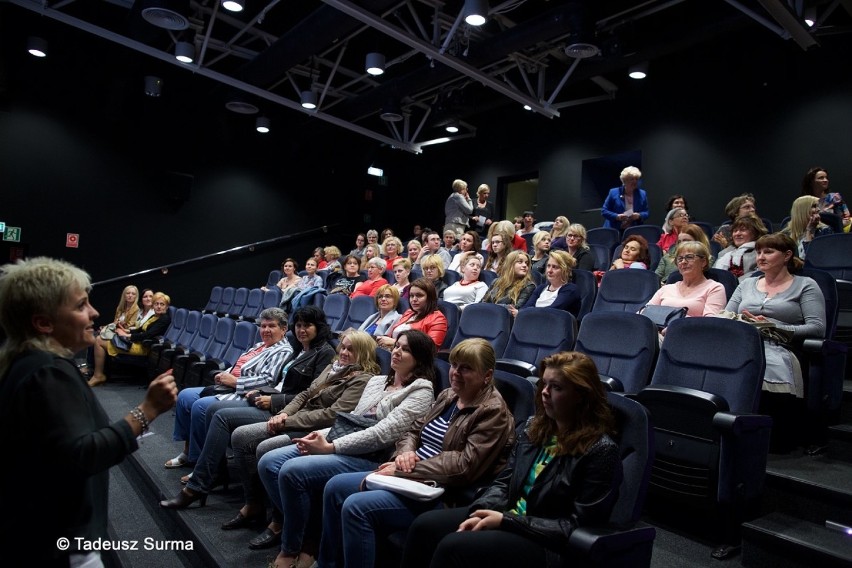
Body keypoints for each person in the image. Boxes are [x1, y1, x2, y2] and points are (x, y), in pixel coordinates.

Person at [0, 257, 177, 568]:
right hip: (58, 540)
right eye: (81, 305)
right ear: (44, 323)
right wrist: (147, 410)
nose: (94, 313)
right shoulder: (48, 372)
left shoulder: (30, 363)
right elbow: (83, 454)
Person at [401, 351, 621, 568]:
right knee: (424, 526)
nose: (545, 392)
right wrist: (483, 510)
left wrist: (507, 521)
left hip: (546, 542)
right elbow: (504, 481)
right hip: (507, 516)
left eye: (557, 387)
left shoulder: (600, 451)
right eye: (544, 384)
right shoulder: (533, 428)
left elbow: (574, 525)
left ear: (581, 395)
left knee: (453, 546)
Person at [318, 338, 516, 568]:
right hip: (410, 474)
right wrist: (405, 453)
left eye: (466, 368)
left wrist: (404, 470)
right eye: (454, 365)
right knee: (335, 487)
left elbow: (464, 465)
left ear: (487, 375)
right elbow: (412, 430)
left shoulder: (494, 412)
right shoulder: (448, 396)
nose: (455, 373)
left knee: (357, 506)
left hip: (442, 490)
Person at [258, 330, 438, 568]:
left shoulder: (421, 391)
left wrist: (331, 447)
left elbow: (383, 434)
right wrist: (319, 436)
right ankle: (309, 532)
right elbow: (350, 420)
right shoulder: (377, 382)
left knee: (292, 471)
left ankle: (293, 547)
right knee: (269, 462)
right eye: (397, 347)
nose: (396, 352)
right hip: (344, 444)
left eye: (405, 349)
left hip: (373, 457)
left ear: (420, 358)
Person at [227, 330, 378, 549]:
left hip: (318, 429)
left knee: (265, 449)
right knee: (240, 436)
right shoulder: (333, 366)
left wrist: (288, 422)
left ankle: (281, 521)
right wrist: (284, 414)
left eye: (351, 350)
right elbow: (305, 394)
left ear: (363, 353)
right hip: (296, 419)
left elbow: (332, 414)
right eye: (343, 347)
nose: (344, 352)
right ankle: (254, 504)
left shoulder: (363, 379)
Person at [724, 233, 826, 454]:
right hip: (742, 344)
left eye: (768, 251)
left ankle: (762, 436)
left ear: (787, 255)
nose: (760, 256)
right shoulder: (746, 284)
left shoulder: (806, 285)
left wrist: (776, 326)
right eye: (759, 251)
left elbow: (817, 328)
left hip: (782, 347)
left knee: (761, 364)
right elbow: (725, 316)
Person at [162, 307, 295, 470]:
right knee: (185, 396)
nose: (266, 330)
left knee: (201, 406)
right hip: (228, 386)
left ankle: (200, 462)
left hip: (245, 392)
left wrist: (234, 382)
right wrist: (223, 373)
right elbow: (239, 365)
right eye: (263, 326)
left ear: (283, 329)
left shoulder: (283, 350)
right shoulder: (260, 345)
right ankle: (188, 451)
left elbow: (268, 380)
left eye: (271, 326)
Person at [88, 291, 172, 387]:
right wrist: (126, 331)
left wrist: (128, 336)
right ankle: (98, 373)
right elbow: (140, 329)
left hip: (143, 347)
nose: (159, 306)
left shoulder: (164, 319)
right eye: (156, 304)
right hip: (137, 342)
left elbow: (148, 335)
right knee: (100, 337)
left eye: (162, 304)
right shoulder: (154, 316)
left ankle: (98, 375)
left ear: (167, 306)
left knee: (99, 341)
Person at [646, 241, 726, 331]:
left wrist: (676, 326)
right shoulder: (666, 288)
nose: (683, 262)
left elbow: (710, 323)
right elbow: (644, 313)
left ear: (703, 262)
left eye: (689, 257)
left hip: (689, 337)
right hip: (656, 334)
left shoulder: (714, 288)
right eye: (680, 259)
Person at [377, 278, 448, 349]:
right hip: (393, 351)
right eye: (411, 296)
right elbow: (391, 335)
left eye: (419, 295)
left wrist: (395, 343)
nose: (414, 299)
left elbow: (430, 349)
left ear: (430, 297)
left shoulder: (438, 319)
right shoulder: (409, 312)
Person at [521, 249, 581, 317]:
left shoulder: (571, 289)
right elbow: (525, 309)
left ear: (565, 270)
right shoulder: (541, 288)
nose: (549, 270)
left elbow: (551, 311)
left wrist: (530, 313)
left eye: (555, 267)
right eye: (548, 266)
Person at [482, 250, 536, 318]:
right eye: (520, 262)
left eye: (527, 263)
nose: (525, 265)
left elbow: (514, 309)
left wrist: (490, 307)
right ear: (510, 264)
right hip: (489, 317)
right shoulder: (496, 282)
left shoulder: (528, 286)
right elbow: (483, 303)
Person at [713, 215, 768, 281]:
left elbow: (759, 274)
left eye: (743, 230)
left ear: (755, 233)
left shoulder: (761, 251)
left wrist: (734, 283)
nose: (737, 234)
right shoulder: (724, 253)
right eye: (735, 231)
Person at [782, 195, 833, 259]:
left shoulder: (825, 231)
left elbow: (814, 259)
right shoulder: (786, 232)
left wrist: (809, 232)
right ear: (802, 211)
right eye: (814, 206)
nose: (818, 209)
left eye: (818, 206)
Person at [601, 166, 649, 230]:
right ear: (624, 180)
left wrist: (639, 215)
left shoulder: (642, 194)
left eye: (636, 179)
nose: (635, 181)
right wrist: (617, 217)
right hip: (614, 230)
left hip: (633, 230)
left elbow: (646, 212)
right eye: (632, 179)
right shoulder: (613, 192)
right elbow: (604, 211)